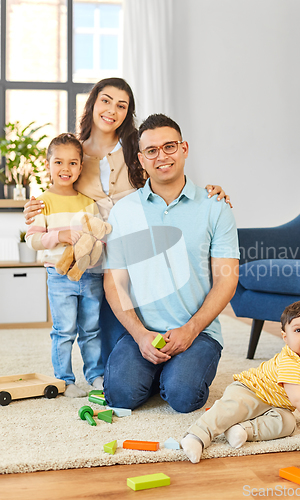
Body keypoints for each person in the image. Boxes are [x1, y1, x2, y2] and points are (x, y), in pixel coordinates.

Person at [23, 77, 232, 365]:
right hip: (93, 262)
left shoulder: (137, 148)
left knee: (139, 341)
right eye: (106, 100)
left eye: (122, 105)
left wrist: (210, 192)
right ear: (93, 102)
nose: (112, 110)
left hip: (136, 259)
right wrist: (35, 209)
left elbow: (167, 177)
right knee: (106, 356)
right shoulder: (74, 153)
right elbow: (56, 193)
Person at [102, 113, 240, 413]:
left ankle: (172, 374)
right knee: (119, 396)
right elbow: (114, 281)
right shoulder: (124, 211)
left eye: (170, 146)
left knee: (183, 397)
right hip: (144, 331)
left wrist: (190, 330)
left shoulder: (215, 207)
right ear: (140, 159)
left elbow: (227, 279)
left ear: (184, 148)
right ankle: (155, 370)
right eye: (152, 151)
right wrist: (140, 335)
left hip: (198, 332)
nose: (162, 156)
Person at [181, 299, 300, 463]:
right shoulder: (291, 361)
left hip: (278, 405)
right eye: (298, 330)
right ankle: (197, 435)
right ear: (285, 337)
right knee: (231, 409)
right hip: (251, 391)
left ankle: (242, 431)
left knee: (288, 423)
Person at [25, 133, 104, 397]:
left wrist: (96, 245)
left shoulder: (88, 203)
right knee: (64, 329)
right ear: (48, 165)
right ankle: (65, 380)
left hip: (91, 275)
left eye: (72, 163)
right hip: (59, 277)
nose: (65, 169)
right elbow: (32, 239)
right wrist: (58, 236)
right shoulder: (42, 203)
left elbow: (97, 237)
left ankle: (96, 375)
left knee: (91, 329)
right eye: (58, 162)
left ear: (81, 167)